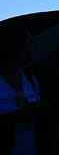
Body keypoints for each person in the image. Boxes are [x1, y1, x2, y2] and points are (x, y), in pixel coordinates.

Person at [0, 26, 45, 155]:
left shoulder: (30, 78)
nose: (31, 48)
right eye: (27, 44)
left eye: (31, 43)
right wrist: (18, 116)